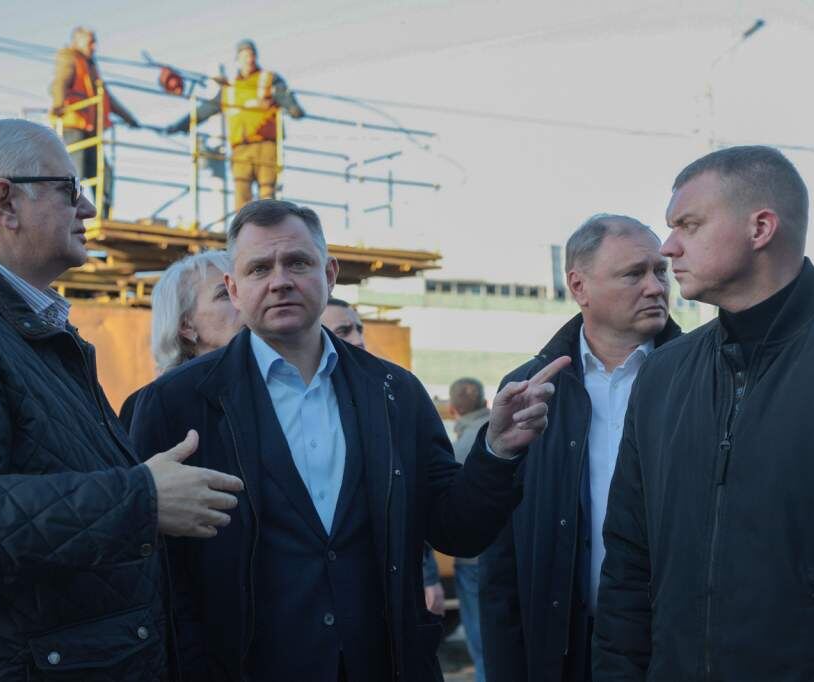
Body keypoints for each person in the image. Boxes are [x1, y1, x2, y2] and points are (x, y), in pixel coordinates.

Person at [0, 119, 243, 681]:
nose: (87, 208)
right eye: (69, 189)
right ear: (4, 202)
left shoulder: (13, 324)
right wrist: (139, 500)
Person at [130, 199, 569, 682]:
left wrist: (496, 451)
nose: (280, 281)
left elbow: (456, 530)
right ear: (234, 288)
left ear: (330, 273)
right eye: (259, 268)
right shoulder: (175, 404)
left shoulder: (395, 392)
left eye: (298, 262)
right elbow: (152, 571)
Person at [594, 146, 814, 680]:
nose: (668, 248)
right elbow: (629, 563)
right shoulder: (663, 376)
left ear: (760, 228)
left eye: (688, 225)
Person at [480, 215, 681, 682]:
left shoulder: (702, 376)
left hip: (674, 649)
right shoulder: (530, 389)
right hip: (563, 647)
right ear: (579, 286)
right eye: (634, 274)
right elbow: (502, 555)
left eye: (660, 271)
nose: (656, 287)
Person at [320, 297, 446, 616]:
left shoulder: (393, 395)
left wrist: (428, 575)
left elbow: (416, 502)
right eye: (344, 331)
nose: (358, 339)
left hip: (381, 600)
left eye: (359, 328)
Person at [165, 39, 305, 210]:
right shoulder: (230, 88)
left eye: (251, 55)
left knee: (268, 194)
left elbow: (284, 97)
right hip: (240, 149)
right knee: (242, 195)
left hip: (266, 146)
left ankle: (268, 224)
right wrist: (179, 126)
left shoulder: (268, 79)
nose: (249, 59)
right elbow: (205, 110)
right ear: (238, 60)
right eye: (245, 56)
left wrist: (293, 108)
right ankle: (245, 225)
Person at [118, 250, 243, 429]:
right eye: (225, 294)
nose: (243, 302)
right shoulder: (153, 405)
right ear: (186, 326)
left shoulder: (277, 380)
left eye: (243, 290)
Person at [50, 26, 139, 218]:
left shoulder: (91, 66)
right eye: (91, 42)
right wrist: (58, 104)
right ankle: (67, 215)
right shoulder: (69, 58)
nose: (95, 46)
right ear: (77, 41)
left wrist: (130, 119)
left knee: (103, 175)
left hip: (90, 130)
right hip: (74, 127)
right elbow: (60, 82)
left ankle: (103, 215)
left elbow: (106, 98)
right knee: (76, 172)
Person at [448, 377, 492, 682]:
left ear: (453, 410)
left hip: (472, 559)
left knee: (482, 641)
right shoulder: (507, 431)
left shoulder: (458, 447)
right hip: (513, 554)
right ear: (486, 404)